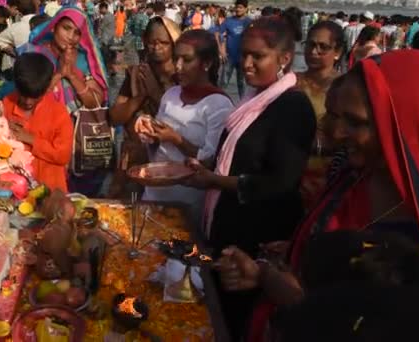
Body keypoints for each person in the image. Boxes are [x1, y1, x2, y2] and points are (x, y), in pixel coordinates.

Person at [216, 49, 419, 342]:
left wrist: (295, 299)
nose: (337, 133)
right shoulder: (352, 178)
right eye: (336, 116)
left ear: (406, 125)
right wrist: (283, 259)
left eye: (355, 122)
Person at [181, 17, 316, 341]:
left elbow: (280, 182)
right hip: (230, 226)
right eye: (244, 55)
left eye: (258, 56)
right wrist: (203, 165)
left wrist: (214, 180)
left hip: (259, 235)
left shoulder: (292, 107)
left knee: (241, 317)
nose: (247, 64)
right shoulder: (252, 100)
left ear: (284, 58)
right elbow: (236, 153)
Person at [134, 29, 234, 220]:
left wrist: (176, 139)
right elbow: (158, 147)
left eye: (187, 60)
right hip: (154, 194)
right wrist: (150, 133)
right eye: (176, 58)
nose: (178, 66)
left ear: (207, 63)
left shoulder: (218, 105)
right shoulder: (171, 95)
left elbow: (211, 164)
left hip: (188, 204)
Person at [16, 6, 108, 196]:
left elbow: (95, 103)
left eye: (76, 33)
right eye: (66, 28)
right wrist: (59, 72)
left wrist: (72, 73)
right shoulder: (34, 53)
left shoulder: (83, 59)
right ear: (54, 26)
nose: (71, 37)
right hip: (39, 133)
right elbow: (31, 94)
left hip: (75, 137)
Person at [108, 16, 180, 198]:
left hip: (170, 157)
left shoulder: (182, 77)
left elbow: (178, 118)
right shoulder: (137, 74)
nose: (157, 47)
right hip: (135, 155)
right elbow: (115, 117)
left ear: (173, 43)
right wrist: (139, 97)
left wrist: (155, 92)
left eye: (163, 42)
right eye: (152, 42)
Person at [1, 57, 73, 192]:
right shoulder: (6, 105)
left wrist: (30, 139)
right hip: (13, 191)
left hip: (50, 193)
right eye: (24, 95)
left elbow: (62, 155)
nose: (28, 101)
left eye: (35, 96)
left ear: (46, 89)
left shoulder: (58, 113)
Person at [297, 21, 344, 208]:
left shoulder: (346, 88)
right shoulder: (291, 83)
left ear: (338, 52)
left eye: (323, 47)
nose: (314, 52)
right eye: (310, 44)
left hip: (331, 174)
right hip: (293, 173)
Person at [216, 0, 251, 99]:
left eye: (240, 7)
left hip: (243, 58)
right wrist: (221, 50)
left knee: (242, 84)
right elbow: (219, 34)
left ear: (246, 9)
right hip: (229, 57)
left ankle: (242, 106)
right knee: (223, 82)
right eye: (237, 7)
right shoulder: (228, 21)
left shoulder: (249, 22)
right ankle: (219, 102)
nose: (238, 9)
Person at [0, 0, 37, 80]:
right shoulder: (46, 22)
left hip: (22, 68)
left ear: (19, 12)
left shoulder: (15, 27)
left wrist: (12, 51)